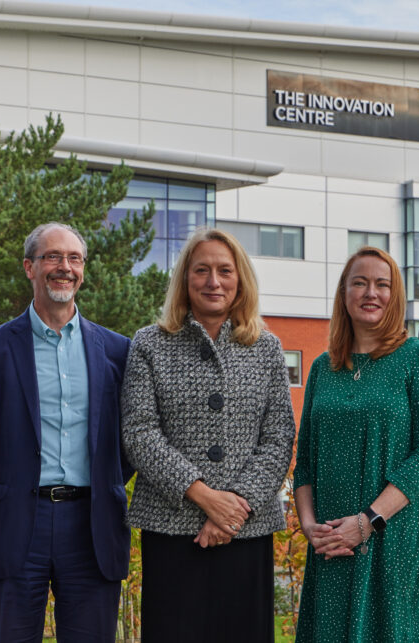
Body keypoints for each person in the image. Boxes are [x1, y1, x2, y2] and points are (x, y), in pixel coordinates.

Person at [0, 222, 132, 642]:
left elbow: (127, 443)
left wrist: (103, 485)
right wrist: (11, 489)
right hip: (16, 522)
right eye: (52, 257)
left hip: (92, 527)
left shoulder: (117, 350)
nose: (64, 267)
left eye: (74, 258)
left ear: (83, 271)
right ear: (29, 267)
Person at [121, 227, 295, 643]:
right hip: (172, 528)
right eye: (201, 270)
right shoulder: (150, 344)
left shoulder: (266, 348)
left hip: (245, 530)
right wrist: (204, 496)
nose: (213, 281)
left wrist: (235, 507)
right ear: (185, 279)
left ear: (240, 280)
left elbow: (279, 437)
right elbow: (139, 432)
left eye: (224, 270)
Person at [293, 246, 419, 643]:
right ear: (344, 294)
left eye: (382, 284)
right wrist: (310, 526)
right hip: (333, 544)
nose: (371, 292)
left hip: (394, 538)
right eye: (359, 283)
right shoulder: (322, 367)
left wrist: (367, 522)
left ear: (394, 295)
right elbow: (306, 461)